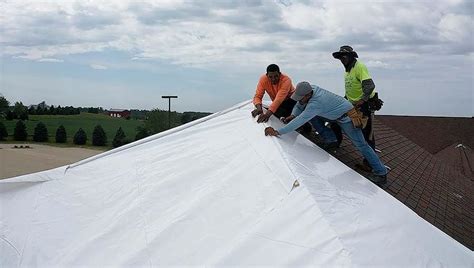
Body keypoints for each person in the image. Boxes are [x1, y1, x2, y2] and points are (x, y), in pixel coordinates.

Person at [264, 81, 388, 184]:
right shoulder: (310, 89)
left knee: (361, 145)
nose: (300, 100)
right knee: (312, 115)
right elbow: (299, 105)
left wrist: (277, 132)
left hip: (347, 118)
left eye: (302, 98)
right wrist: (292, 115)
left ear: (307, 95)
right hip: (334, 114)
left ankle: (381, 173)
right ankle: (331, 139)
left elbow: (300, 121)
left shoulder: (316, 103)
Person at [332, 45, 382, 171]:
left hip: (365, 106)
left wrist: (362, 100)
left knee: (367, 135)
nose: (342, 59)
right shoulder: (347, 71)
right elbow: (350, 89)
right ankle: (335, 142)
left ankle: (370, 164)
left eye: (344, 56)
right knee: (336, 122)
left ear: (350, 56)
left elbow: (369, 86)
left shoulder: (359, 67)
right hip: (352, 104)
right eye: (340, 57)